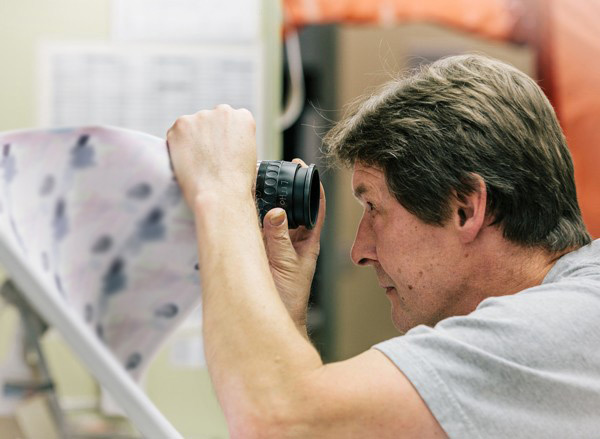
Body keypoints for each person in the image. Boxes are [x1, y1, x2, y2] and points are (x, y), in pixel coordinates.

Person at [166, 54, 600, 439]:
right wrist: (280, 311)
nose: (359, 251)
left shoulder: (561, 326)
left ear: (465, 208)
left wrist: (221, 190)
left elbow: (283, 421)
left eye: (373, 207)